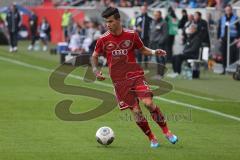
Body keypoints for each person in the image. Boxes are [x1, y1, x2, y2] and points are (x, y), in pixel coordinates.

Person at [91, 7, 178, 148]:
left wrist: (155, 52)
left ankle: (167, 131)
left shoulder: (132, 35)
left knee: (149, 103)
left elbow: (142, 49)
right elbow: (95, 56)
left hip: (136, 75)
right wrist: (95, 70)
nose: (108, 24)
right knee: (136, 112)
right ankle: (152, 138)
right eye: (106, 22)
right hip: (119, 82)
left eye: (111, 21)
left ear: (118, 20)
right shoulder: (103, 39)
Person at [217, 4, 240, 73]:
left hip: (232, 38)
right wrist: (219, 37)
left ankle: (232, 69)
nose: (228, 11)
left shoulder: (235, 18)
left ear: (231, 10)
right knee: (224, 53)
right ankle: (224, 68)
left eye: (229, 10)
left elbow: (239, 29)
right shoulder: (222, 18)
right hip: (224, 38)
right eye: (227, 10)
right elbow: (219, 28)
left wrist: (237, 37)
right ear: (225, 10)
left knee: (232, 53)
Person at [149, 10, 168, 80]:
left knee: (161, 59)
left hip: (160, 44)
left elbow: (165, 34)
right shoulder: (153, 22)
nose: (155, 16)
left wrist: (160, 42)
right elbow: (151, 32)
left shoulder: (164, 23)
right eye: (154, 15)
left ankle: (161, 74)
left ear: (160, 15)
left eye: (157, 15)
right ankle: (158, 74)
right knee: (157, 59)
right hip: (153, 43)